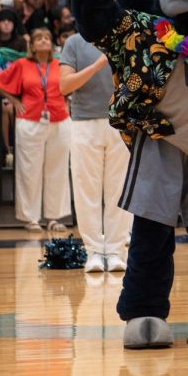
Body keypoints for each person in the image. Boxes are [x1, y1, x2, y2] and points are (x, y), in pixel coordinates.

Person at [60, 32, 130, 270]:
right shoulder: (74, 43)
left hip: (120, 122)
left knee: (119, 189)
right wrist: (99, 63)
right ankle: (93, 252)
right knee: (86, 188)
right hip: (84, 123)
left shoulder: (123, 36)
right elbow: (64, 85)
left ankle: (116, 251)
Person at [0, 28, 70, 232]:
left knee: (57, 170)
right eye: (38, 38)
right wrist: (14, 100)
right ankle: (31, 218)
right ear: (32, 45)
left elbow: (71, 86)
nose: (43, 41)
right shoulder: (22, 64)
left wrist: (65, 103)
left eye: (47, 38)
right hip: (29, 121)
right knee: (29, 171)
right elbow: (1, 81)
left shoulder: (60, 65)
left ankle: (54, 218)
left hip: (60, 121)